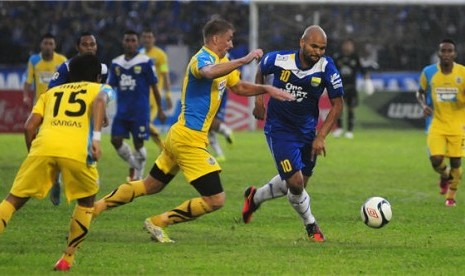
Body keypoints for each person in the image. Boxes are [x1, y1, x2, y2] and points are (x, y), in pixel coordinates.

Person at [92, 17, 295, 243]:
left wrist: (266, 89)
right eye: (228, 39)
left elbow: (238, 86)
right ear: (215, 38)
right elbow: (208, 73)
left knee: (150, 185)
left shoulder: (223, 60)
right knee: (216, 199)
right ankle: (158, 222)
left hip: (180, 135)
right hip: (188, 139)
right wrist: (245, 60)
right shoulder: (201, 59)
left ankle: (94, 208)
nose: (230, 44)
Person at [0, 54, 115, 271]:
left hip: (42, 148)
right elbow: (100, 101)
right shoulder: (101, 88)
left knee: (13, 200)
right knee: (87, 202)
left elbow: (29, 126)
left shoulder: (50, 92)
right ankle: (67, 259)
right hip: (76, 151)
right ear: (97, 76)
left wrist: (33, 155)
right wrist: (97, 138)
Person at [242, 25, 344, 242]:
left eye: (322, 48)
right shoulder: (279, 59)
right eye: (314, 46)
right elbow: (261, 69)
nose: (318, 52)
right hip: (279, 129)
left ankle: (255, 197)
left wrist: (321, 136)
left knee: (298, 185)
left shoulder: (327, 68)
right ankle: (311, 225)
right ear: (302, 42)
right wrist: (259, 99)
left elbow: (337, 105)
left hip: (308, 132)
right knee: (296, 184)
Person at [47, 31, 109, 206]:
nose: (89, 48)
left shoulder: (103, 69)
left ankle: (83, 190)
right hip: (66, 117)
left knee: (86, 150)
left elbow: (99, 92)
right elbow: (51, 92)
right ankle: (57, 181)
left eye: (92, 44)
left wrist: (103, 113)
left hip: (87, 116)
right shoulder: (66, 68)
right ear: (77, 47)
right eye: (85, 44)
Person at [108, 30, 166, 181]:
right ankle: (134, 164)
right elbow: (110, 87)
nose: (130, 43)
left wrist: (160, 109)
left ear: (137, 43)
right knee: (115, 140)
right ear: (123, 42)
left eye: (133, 40)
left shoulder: (146, 62)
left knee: (138, 143)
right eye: (127, 40)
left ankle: (138, 176)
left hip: (140, 111)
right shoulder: (116, 63)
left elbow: (154, 87)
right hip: (122, 111)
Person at [416, 38, 465, 207]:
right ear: (438, 53)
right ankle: (445, 176)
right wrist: (423, 105)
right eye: (443, 51)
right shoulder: (428, 72)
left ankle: (450, 197)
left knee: (456, 163)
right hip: (436, 123)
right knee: (436, 159)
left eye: (449, 51)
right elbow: (419, 92)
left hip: (458, 125)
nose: (446, 54)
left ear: (455, 54)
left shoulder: (462, 73)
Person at [140, 29, 173, 151]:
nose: (147, 39)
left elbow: (165, 76)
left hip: (154, 94)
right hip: (141, 94)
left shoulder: (160, 55)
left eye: (150, 37)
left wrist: (168, 95)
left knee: (145, 122)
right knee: (143, 123)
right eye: (145, 37)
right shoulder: (140, 54)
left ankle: (164, 147)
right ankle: (163, 147)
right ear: (142, 39)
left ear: (154, 39)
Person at [332, 38, 368, 139]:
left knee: (351, 109)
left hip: (351, 87)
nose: (348, 47)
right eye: (346, 44)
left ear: (352, 46)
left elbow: (362, 69)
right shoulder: (338, 57)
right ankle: (339, 128)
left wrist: (366, 75)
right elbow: (331, 70)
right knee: (338, 108)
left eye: (349, 45)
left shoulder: (355, 57)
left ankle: (349, 130)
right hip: (339, 87)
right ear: (343, 46)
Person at [23, 32, 67, 106]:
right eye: (45, 43)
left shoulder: (62, 60)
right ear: (41, 45)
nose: (48, 46)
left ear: (54, 46)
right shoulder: (34, 60)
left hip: (57, 103)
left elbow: (68, 80)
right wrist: (25, 96)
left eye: (50, 44)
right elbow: (28, 81)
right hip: (39, 103)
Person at [208, 93, 234, 162]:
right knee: (209, 130)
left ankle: (226, 131)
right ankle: (220, 155)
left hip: (215, 101)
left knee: (211, 125)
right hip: (216, 100)